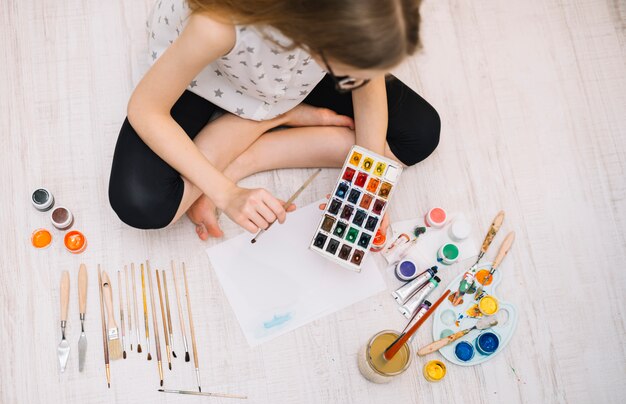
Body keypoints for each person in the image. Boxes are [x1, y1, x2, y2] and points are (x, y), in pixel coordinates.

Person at [109, 0, 440, 240]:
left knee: (420, 136)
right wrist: (227, 193)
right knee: (144, 205)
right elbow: (145, 110)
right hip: (212, 77)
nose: (363, 81)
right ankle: (265, 120)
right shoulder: (218, 26)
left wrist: (367, 185)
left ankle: (251, 145)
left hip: (294, 72)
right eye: (354, 72)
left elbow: (370, 86)